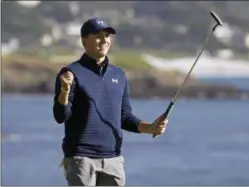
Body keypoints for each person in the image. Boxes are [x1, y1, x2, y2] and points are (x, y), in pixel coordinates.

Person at [53, 17, 168, 186]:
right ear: (84, 40)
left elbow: (125, 117)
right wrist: (65, 90)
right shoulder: (71, 73)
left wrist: (149, 127)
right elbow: (60, 116)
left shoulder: (119, 75)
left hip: (113, 159)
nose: (104, 40)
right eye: (98, 35)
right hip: (81, 158)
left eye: (107, 36)